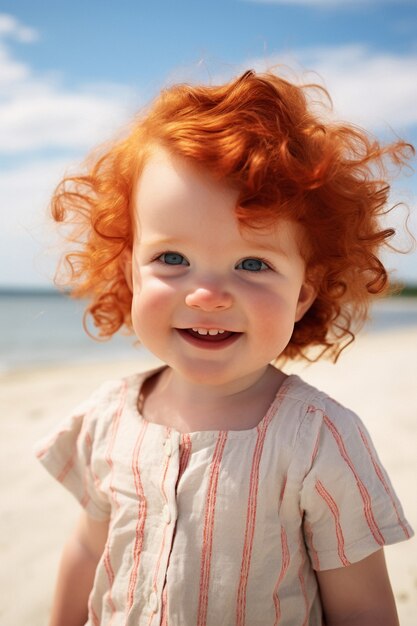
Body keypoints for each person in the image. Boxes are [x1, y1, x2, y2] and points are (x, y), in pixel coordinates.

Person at [36, 69, 414, 626]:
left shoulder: (318, 441)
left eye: (253, 263)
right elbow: (90, 551)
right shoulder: (106, 419)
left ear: (303, 294)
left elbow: (361, 609)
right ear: (130, 272)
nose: (208, 294)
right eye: (172, 259)